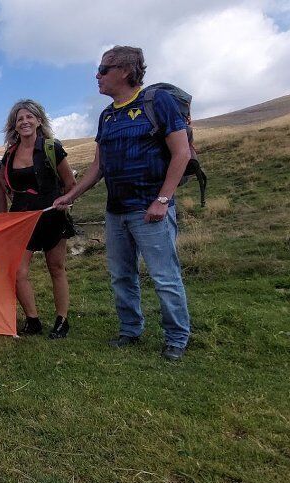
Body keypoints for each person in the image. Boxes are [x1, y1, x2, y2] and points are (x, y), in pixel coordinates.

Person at [53, 45, 192, 361]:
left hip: (151, 210)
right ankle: (130, 330)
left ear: (125, 71)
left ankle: (177, 338)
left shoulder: (158, 103)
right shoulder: (107, 115)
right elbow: (99, 166)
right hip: (116, 211)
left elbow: (181, 153)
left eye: (103, 69)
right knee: (121, 275)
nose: (97, 76)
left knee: (164, 276)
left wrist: (162, 199)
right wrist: (71, 195)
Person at [0, 99, 77, 339]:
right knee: (17, 271)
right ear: (14, 125)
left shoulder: (52, 148)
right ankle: (33, 320)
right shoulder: (9, 155)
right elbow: (7, 187)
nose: (25, 122)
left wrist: (65, 202)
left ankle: (62, 320)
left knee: (56, 268)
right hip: (22, 220)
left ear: (39, 120)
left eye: (29, 117)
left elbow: (70, 183)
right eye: (20, 119)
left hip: (52, 216)